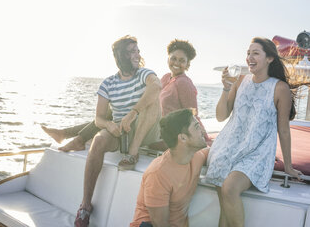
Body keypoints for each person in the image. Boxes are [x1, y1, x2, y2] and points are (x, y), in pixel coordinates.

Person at [42, 38, 210, 151]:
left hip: (162, 130)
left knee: (116, 114)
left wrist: (200, 138)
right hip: (152, 122)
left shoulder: (184, 83)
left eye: (182, 61)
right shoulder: (166, 78)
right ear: (168, 58)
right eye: (174, 58)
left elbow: (192, 114)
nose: (176, 63)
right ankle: (66, 134)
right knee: (112, 110)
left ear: (187, 64)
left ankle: (70, 136)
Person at [205, 37, 303, 227]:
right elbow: (220, 116)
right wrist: (225, 88)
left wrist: (288, 165)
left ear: (270, 59)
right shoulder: (240, 81)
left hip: (257, 152)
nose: (250, 57)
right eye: (248, 53)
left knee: (230, 188)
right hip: (228, 147)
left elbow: (283, 130)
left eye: (255, 53)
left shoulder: (279, 88)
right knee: (224, 206)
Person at [74, 35, 162, 227]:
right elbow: (99, 118)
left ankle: (132, 154)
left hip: (146, 131)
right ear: (120, 56)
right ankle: (85, 206)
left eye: (137, 51)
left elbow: (156, 85)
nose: (137, 55)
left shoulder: (144, 73)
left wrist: (132, 113)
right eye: (131, 51)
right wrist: (108, 125)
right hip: (122, 132)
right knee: (98, 141)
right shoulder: (108, 84)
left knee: (153, 99)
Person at [130, 108, 209, 227]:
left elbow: (214, 152)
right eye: (197, 127)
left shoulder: (196, 157)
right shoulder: (158, 173)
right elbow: (160, 224)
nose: (203, 130)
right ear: (183, 138)